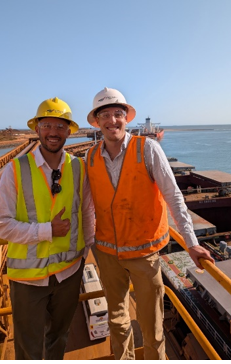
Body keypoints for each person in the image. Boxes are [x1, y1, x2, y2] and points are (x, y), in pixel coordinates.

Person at [84, 87, 214, 360]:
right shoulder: (91, 156)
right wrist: (86, 246)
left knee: (153, 326)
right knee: (117, 322)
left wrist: (192, 243)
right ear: (97, 122)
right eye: (104, 115)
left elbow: (174, 197)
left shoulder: (148, 149)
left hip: (145, 255)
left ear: (127, 118)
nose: (112, 121)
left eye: (117, 114)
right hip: (107, 254)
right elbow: (88, 205)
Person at [0, 97, 95, 360]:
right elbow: (1, 226)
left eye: (60, 127)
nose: (53, 132)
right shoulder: (15, 170)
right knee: (29, 348)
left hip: (69, 273)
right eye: (47, 125)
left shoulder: (77, 167)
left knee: (58, 339)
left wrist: (86, 253)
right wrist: (47, 231)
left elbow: (86, 211)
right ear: (36, 129)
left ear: (69, 131)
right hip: (28, 279)